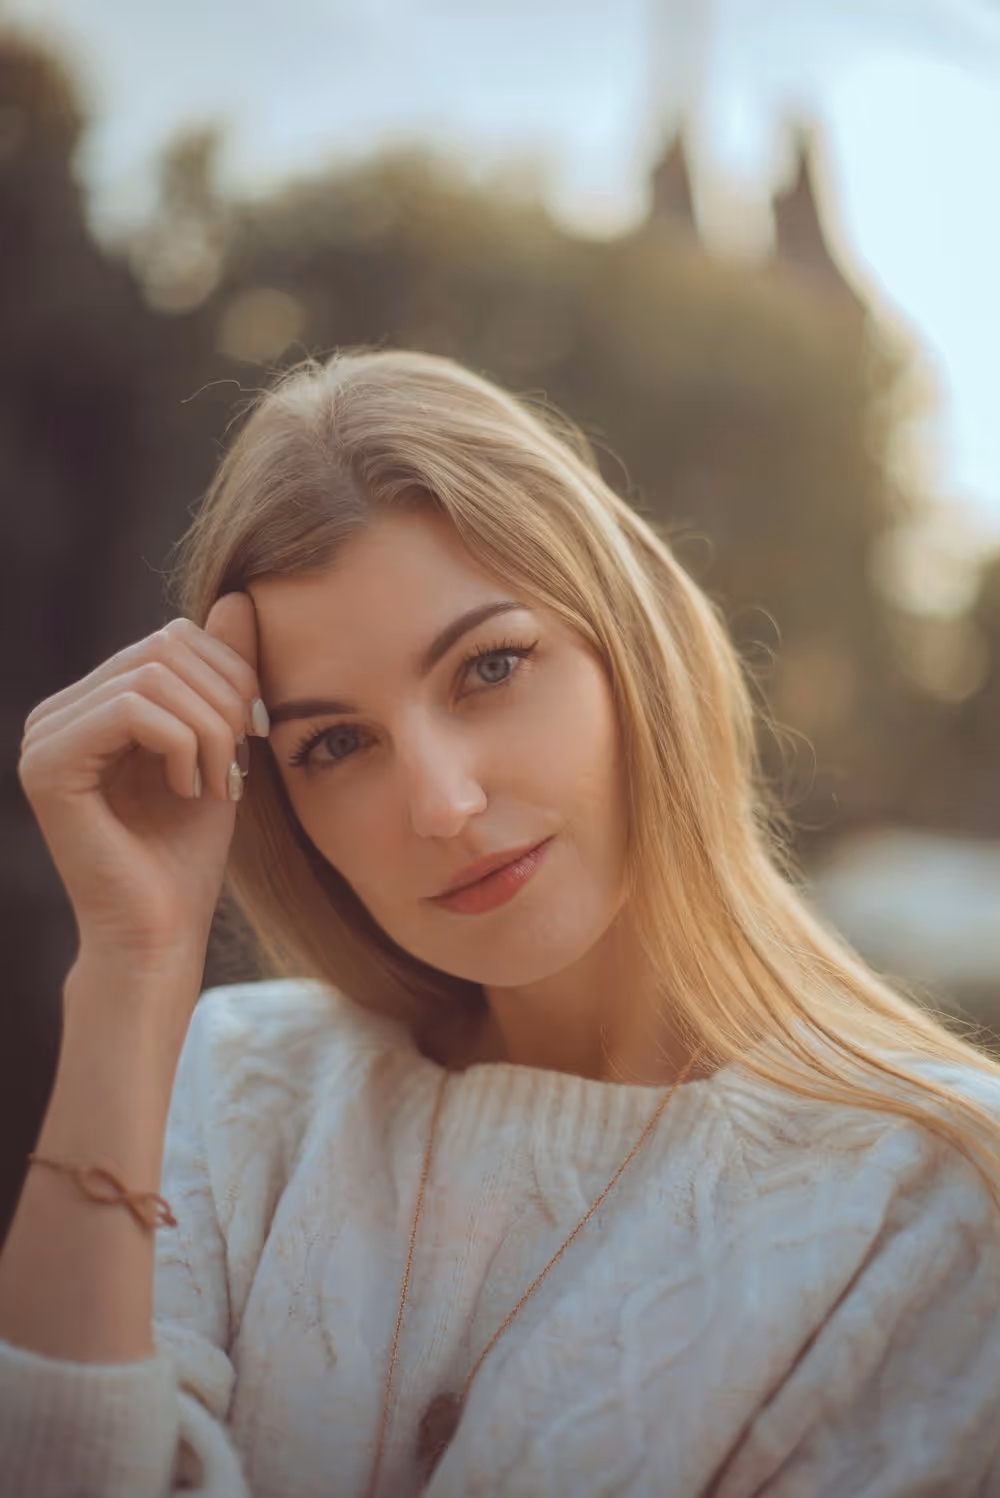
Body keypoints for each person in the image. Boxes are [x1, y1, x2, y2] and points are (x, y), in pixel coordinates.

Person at [2, 345, 1000, 1498]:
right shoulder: (240, 1087)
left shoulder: (938, 1201)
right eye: (334, 743)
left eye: (490, 667)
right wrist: (129, 967)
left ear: (632, 652)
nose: (442, 803)